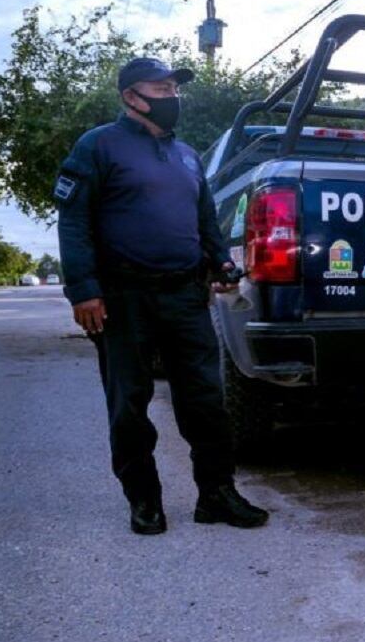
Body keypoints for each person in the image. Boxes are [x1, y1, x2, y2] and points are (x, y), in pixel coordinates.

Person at [56, 57, 268, 534]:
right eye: (162, 87)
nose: (173, 96)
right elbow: (73, 221)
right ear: (132, 96)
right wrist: (84, 290)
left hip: (185, 297)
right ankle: (144, 500)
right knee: (129, 403)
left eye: (175, 87)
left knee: (206, 401)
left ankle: (216, 495)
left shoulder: (187, 155)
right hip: (122, 298)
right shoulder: (98, 146)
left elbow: (205, 221)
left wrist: (221, 263)